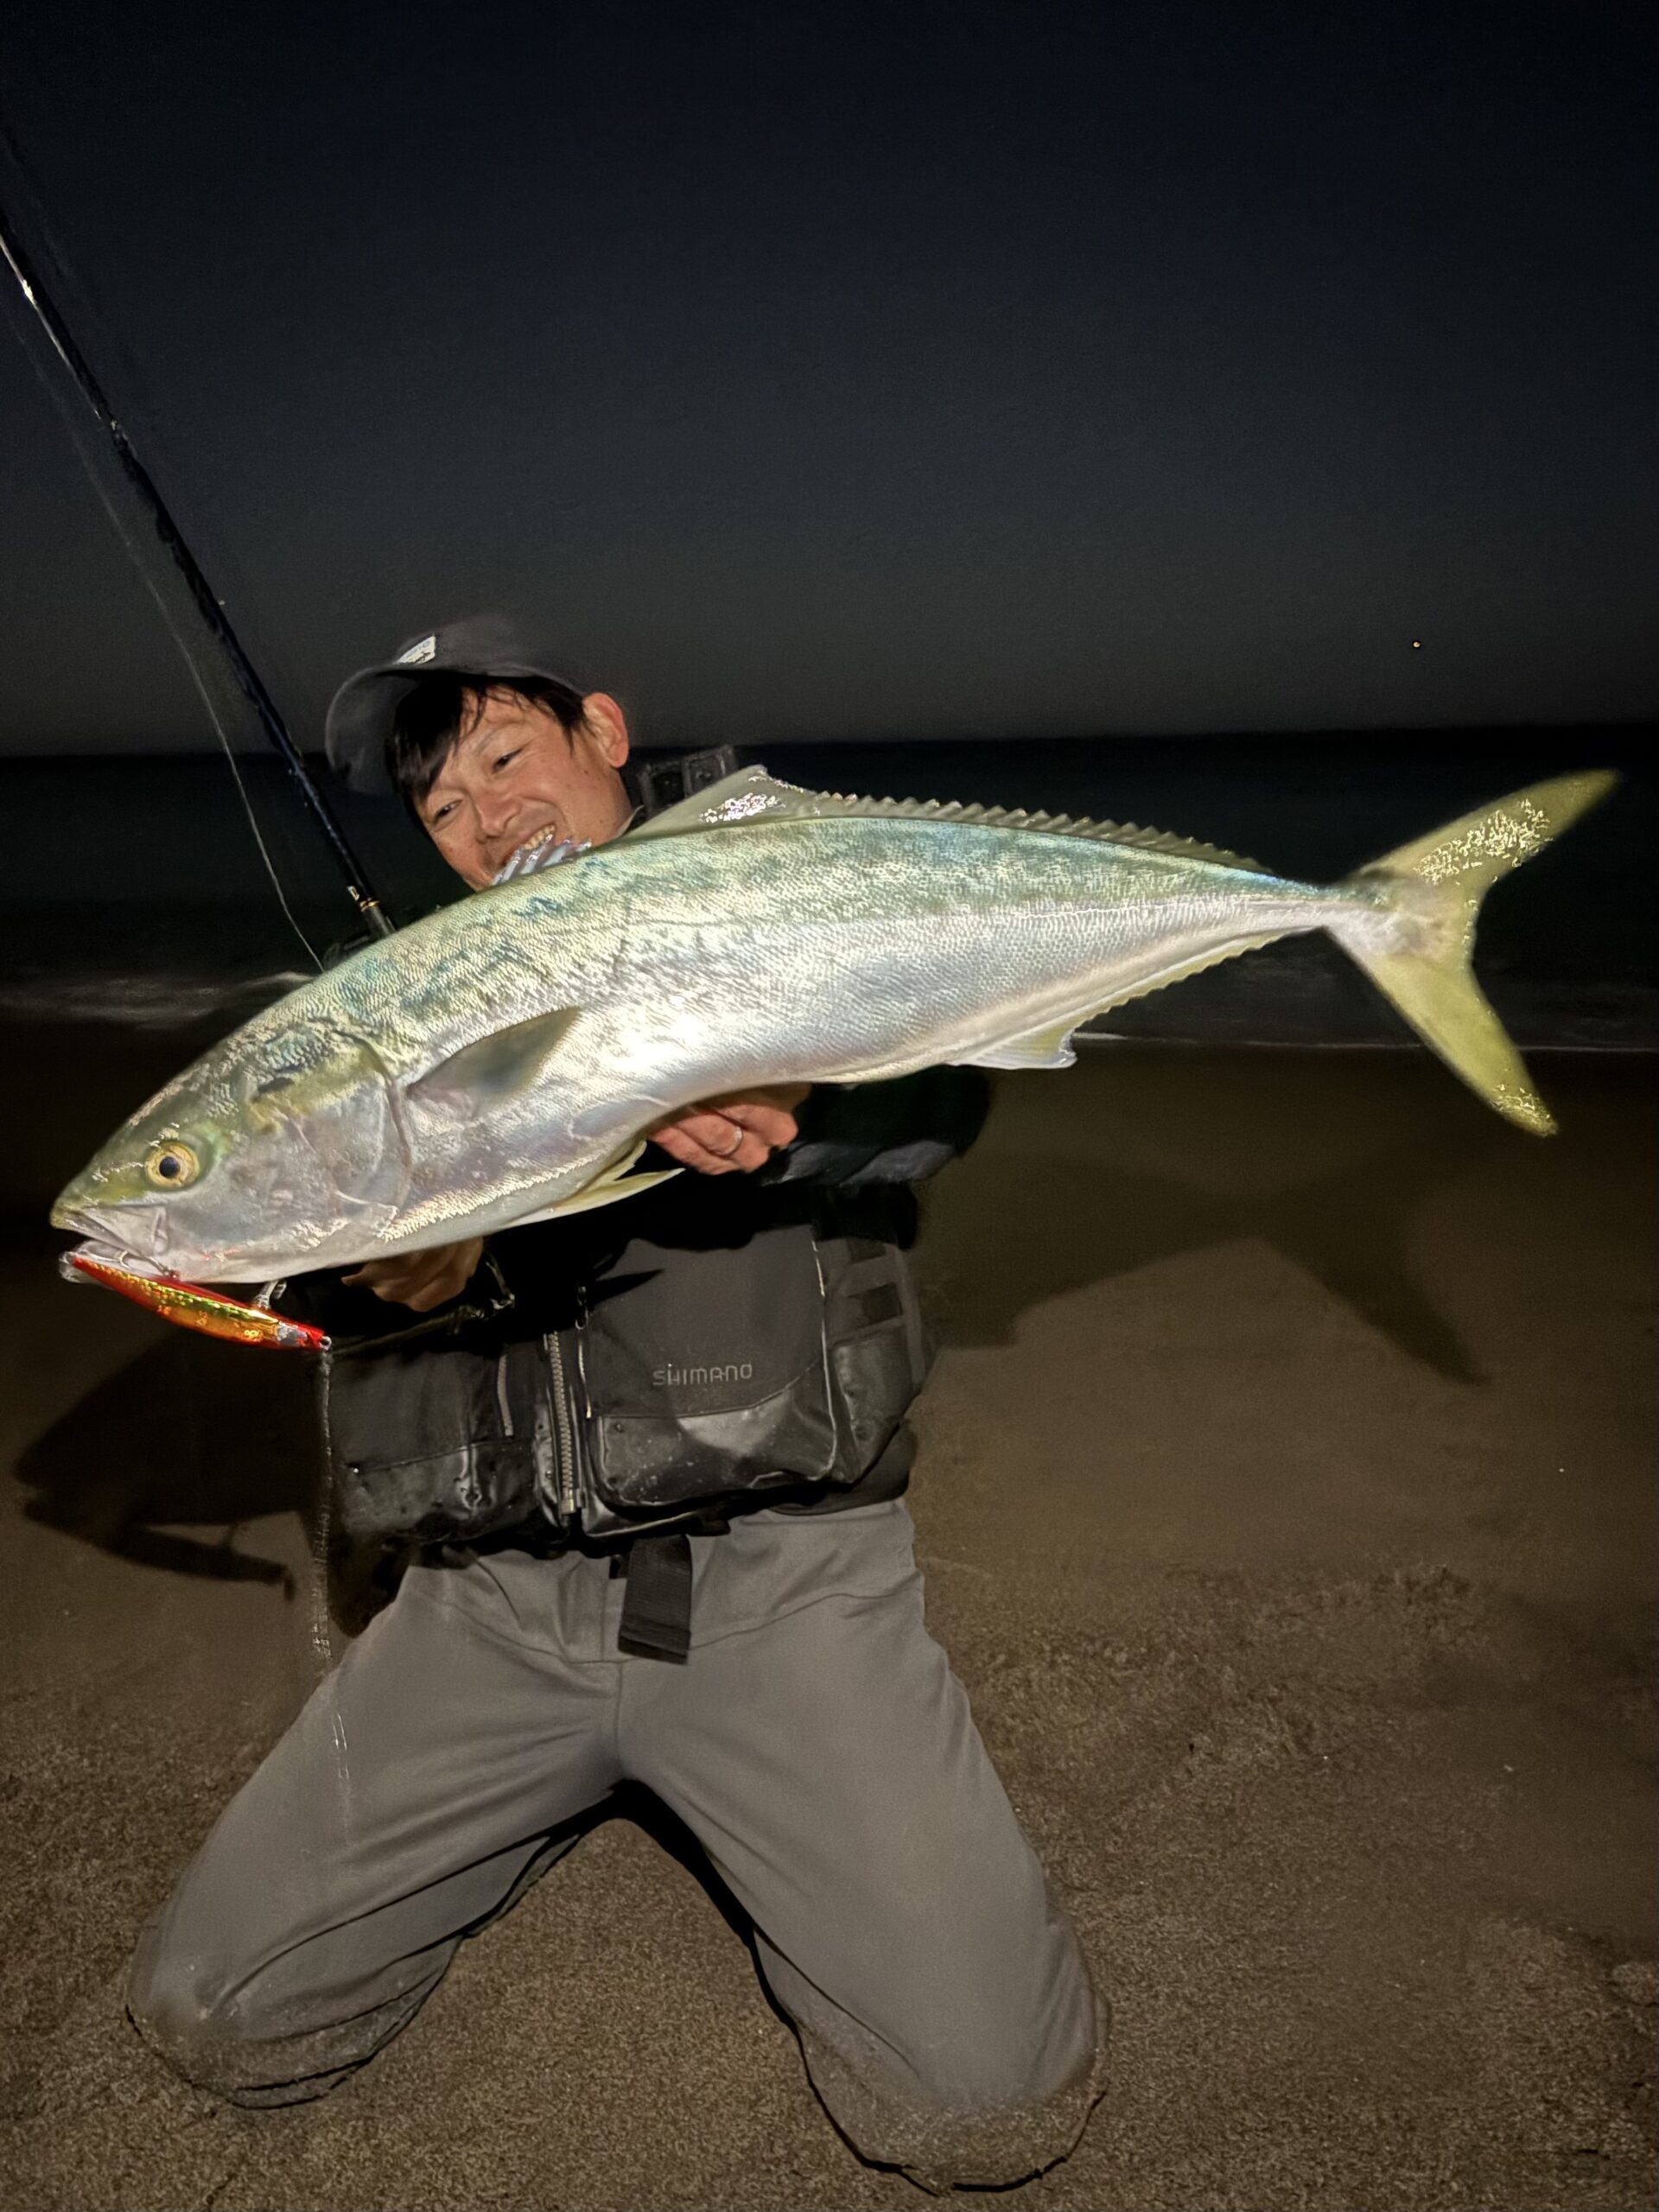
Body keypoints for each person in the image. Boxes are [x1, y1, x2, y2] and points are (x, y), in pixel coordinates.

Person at [124, 617, 1104, 2192]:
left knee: (984, 2104)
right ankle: (535, 1793)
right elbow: (290, 1260)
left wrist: (792, 1098)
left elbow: (937, 1100)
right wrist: (380, 1276)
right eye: (443, 807)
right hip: (490, 1610)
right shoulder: (417, 1016)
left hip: (777, 1595)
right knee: (213, 2016)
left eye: (508, 760)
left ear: (602, 733)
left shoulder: (776, 897)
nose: (489, 819)